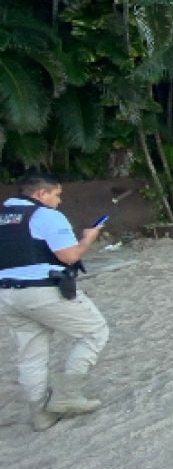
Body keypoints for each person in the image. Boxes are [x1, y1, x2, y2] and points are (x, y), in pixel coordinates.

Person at [1, 170, 110, 431]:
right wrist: (88, 239)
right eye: (56, 195)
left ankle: (39, 414)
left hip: (7, 294)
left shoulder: (5, 218)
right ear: (41, 194)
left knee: (31, 355)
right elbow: (69, 256)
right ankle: (68, 395)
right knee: (95, 332)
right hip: (42, 290)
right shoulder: (45, 216)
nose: (59, 201)